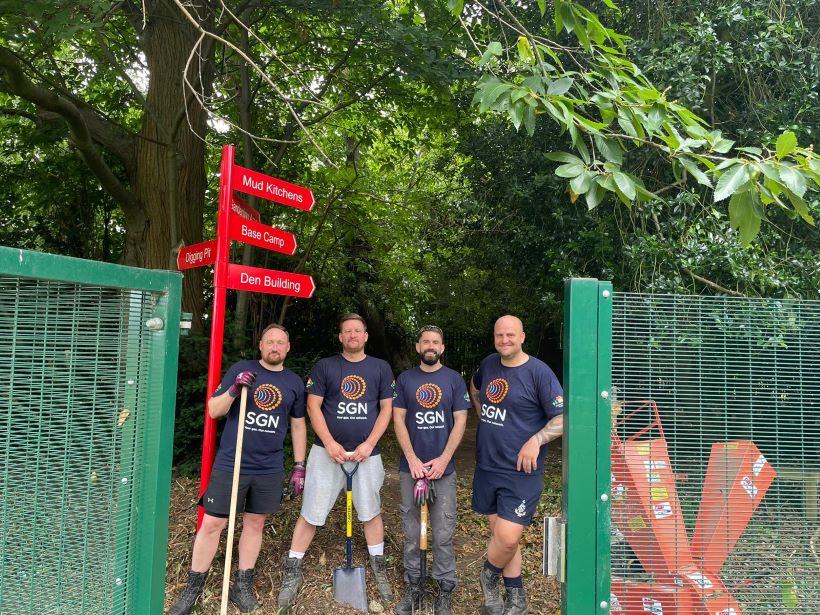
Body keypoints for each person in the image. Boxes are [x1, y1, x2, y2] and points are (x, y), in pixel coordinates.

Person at [168, 324, 307, 615]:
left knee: (255, 524)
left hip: (268, 468)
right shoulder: (240, 369)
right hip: (232, 464)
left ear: (288, 347)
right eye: (270, 341)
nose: (275, 346)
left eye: (280, 342)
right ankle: (193, 587)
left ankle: (242, 585)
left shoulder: (294, 382)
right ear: (261, 345)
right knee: (212, 524)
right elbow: (214, 410)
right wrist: (233, 389)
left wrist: (299, 465)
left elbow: (297, 424)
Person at [277, 313, 395, 609]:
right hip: (325, 453)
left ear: (366, 336)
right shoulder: (326, 366)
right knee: (311, 511)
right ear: (340, 337)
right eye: (347, 332)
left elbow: (386, 409)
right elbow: (312, 406)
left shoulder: (380, 367)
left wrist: (370, 444)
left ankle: (378, 564)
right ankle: (292, 567)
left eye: (358, 331)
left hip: (367, 455)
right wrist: (329, 443)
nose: (353, 335)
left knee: (371, 511)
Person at [470, 315, 564, 615]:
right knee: (501, 536)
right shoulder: (488, 365)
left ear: (522, 336)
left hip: (521, 472)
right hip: (488, 465)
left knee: (509, 537)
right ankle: (516, 599)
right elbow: (474, 387)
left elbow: (563, 418)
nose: (504, 340)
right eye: (499, 335)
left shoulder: (539, 372)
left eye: (510, 335)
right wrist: (481, 411)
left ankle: (488, 577)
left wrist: (535, 440)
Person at [393, 325, 469, 615]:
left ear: (442, 348)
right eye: (425, 341)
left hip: (443, 471)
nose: (430, 345)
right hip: (409, 469)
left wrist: (443, 459)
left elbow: (460, 421)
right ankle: (414, 586)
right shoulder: (405, 380)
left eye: (435, 342)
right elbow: (398, 420)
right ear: (417, 346)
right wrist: (412, 458)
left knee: (444, 531)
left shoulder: (453, 380)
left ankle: (444, 588)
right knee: (412, 532)